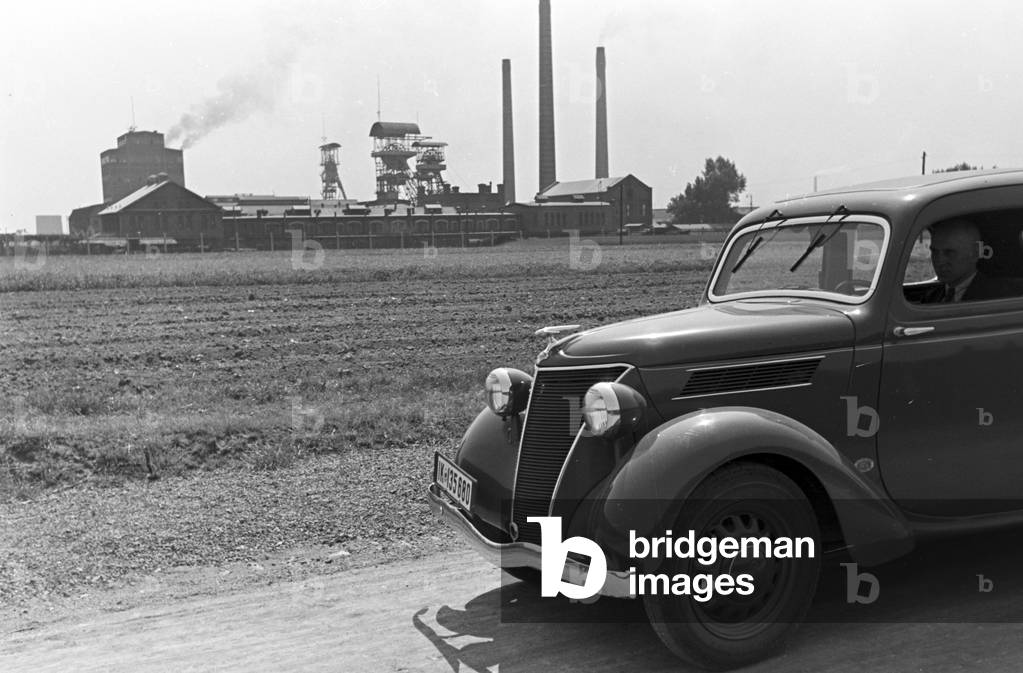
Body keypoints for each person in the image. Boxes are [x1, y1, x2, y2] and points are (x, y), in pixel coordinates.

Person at [921, 219, 1015, 303]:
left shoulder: (999, 297)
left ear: (974, 254)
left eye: (949, 253)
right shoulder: (932, 297)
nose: (939, 261)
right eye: (934, 252)